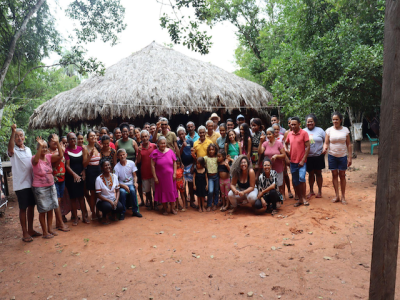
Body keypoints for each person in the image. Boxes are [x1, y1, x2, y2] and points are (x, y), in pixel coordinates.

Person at [8, 124, 42, 242]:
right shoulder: (13, 150)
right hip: (21, 185)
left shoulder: (28, 149)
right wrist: (13, 132)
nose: (19, 138)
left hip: (31, 183)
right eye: (16, 136)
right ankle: (24, 232)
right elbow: (11, 149)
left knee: (31, 206)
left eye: (21, 135)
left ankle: (31, 229)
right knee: (23, 208)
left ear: (24, 137)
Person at [31, 136, 64, 238]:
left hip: (51, 186)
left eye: (45, 147)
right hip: (40, 188)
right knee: (43, 210)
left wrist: (58, 142)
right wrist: (40, 146)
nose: (44, 149)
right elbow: (36, 161)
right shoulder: (34, 158)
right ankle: (45, 232)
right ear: (37, 149)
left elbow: (61, 155)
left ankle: (50, 229)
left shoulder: (49, 156)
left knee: (50, 208)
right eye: (42, 147)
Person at [323, 112, 352, 205]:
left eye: (337, 119)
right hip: (332, 156)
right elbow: (326, 143)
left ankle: (343, 196)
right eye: (333, 119)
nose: (335, 121)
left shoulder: (345, 130)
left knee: (342, 175)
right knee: (334, 175)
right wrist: (325, 148)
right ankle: (337, 196)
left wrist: (350, 157)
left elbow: (349, 144)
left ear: (341, 120)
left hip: (342, 156)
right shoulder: (329, 130)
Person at [65, 132, 89, 225]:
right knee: (73, 198)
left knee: (81, 197)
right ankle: (75, 217)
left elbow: (84, 163)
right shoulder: (66, 151)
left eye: (74, 138)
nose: (73, 140)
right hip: (71, 177)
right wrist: (74, 175)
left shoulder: (81, 149)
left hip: (80, 175)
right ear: (68, 140)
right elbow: (67, 166)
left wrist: (84, 171)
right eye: (70, 139)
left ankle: (84, 216)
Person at [285, 117, 310, 207]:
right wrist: (286, 151)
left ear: (299, 124)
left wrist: (303, 160)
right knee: (295, 181)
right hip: (292, 162)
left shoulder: (304, 133)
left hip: (301, 162)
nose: (293, 126)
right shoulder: (289, 134)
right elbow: (285, 143)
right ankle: (299, 199)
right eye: (292, 124)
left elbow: (308, 147)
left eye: (295, 124)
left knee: (302, 178)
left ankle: (304, 198)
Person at [150, 137, 178, 215]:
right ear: (158, 144)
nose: (163, 145)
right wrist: (155, 177)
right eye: (161, 143)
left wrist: (175, 173)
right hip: (160, 177)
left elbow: (175, 162)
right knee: (162, 192)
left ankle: (172, 208)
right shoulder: (155, 152)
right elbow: (152, 166)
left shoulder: (170, 151)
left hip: (171, 177)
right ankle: (165, 209)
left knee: (171, 191)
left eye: (164, 143)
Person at [47, 134, 70, 232]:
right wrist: (61, 152)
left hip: (62, 178)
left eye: (56, 141)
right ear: (49, 142)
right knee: (56, 201)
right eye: (53, 141)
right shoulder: (48, 152)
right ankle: (60, 223)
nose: (55, 143)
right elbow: (54, 165)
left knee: (59, 201)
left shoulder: (59, 150)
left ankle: (58, 222)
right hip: (54, 179)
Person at [259, 127, 286, 200]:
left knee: (279, 183)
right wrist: (261, 142)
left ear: (274, 134)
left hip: (277, 166)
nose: (268, 136)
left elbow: (284, 155)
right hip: (268, 168)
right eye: (267, 134)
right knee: (270, 183)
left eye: (269, 134)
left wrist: (277, 156)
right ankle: (272, 198)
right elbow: (260, 152)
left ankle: (281, 195)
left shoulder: (279, 143)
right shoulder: (265, 143)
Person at [114, 149, 142, 219]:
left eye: (123, 154)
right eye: (120, 155)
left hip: (131, 183)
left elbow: (135, 175)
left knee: (133, 190)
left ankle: (135, 211)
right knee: (122, 192)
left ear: (126, 155)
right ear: (118, 157)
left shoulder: (131, 163)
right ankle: (122, 212)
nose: (122, 156)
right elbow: (115, 181)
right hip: (121, 185)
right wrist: (123, 186)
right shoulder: (116, 167)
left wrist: (135, 183)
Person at [303, 114, 326, 199]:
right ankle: (311, 191)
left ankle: (320, 191)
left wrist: (324, 148)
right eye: (308, 122)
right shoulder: (303, 131)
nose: (310, 123)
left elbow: (326, 141)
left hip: (318, 156)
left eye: (311, 121)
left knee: (319, 173)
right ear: (306, 123)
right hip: (308, 156)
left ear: (315, 122)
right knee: (311, 173)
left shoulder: (320, 130)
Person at [95, 160, 123, 224]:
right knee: (107, 206)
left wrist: (116, 200)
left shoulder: (114, 177)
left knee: (120, 207)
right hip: (102, 200)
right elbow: (98, 195)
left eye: (108, 165)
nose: (108, 167)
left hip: (112, 199)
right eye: (105, 165)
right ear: (102, 168)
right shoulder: (98, 179)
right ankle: (104, 217)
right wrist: (109, 201)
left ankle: (113, 215)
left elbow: (118, 191)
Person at [137, 130, 157, 210]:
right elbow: (138, 161)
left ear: (149, 137)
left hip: (154, 172)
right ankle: (150, 203)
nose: (145, 138)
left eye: (146, 136)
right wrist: (138, 151)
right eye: (143, 137)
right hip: (144, 172)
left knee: (155, 189)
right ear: (141, 138)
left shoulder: (154, 146)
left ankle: (155, 204)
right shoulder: (140, 148)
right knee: (147, 190)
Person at [84, 131, 102, 220]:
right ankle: (93, 212)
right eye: (91, 136)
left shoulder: (98, 147)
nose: (93, 137)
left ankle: (98, 211)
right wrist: (89, 156)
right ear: (87, 139)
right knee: (93, 193)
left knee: (99, 193)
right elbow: (84, 164)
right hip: (91, 172)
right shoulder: (85, 148)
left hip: (99, 171)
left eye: (94, 135)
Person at [177, 126, 195, 209]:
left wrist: (193, 165)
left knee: (191, 185)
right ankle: (185, 202)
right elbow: (178, 154)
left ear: (185, 134)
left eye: (182, 134)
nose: (181, 136)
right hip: (182, 166)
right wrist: (183, 147)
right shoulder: (177, 143)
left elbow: (193, 153)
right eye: (179, 134)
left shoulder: (190, 141)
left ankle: (192, 201)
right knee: (182, 185)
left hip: (190, 165)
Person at [204, 143, 219, 211]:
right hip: (209, 177)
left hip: (216, 176)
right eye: (210, 150)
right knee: (210, 191)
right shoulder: (206, 158)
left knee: (216, 191)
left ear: (215, 150)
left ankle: (215, 204)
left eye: (213, 149)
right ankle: (209, 204)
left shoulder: (217, 158)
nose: (211, 151)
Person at [283, 117, 294, 199]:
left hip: (296, 156)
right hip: (288, 155)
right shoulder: (287, 133)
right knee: (285, 174)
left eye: (292, 123)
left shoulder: (300, 131)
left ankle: (297, 191)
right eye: (289, 123)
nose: (291, 125)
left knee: (294, 174)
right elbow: (285, 145)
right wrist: (287, 156)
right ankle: (289, 191)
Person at [134, 128, 144, 206]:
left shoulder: (143, 142)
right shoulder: (133, 142)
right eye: (135, 133)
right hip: (136, 165)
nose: (137, 134)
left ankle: (148, 200)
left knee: (145, 183)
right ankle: (142, 200)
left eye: (138, 132)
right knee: (139, 183)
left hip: (142, 163)